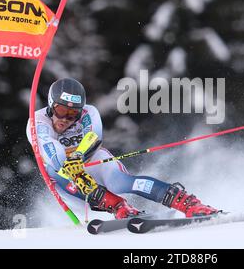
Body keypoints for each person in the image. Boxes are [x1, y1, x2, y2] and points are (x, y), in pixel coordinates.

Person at [26, 77, 218, 220]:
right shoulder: (37, 122)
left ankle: (187, 203)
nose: (66, 119)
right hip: (62, 171)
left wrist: (77, 156)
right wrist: (73, 169)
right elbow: (50, 150)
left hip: (91, 159)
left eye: (72, 113)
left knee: (122, 183)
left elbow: (94, 137)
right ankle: (118, 207)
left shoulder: (88, 113)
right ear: (51, 105)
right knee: (68, 177)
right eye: (61, 111)